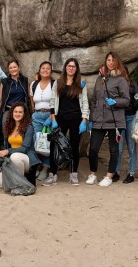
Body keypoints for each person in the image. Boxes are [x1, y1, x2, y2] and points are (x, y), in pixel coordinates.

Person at [87, 52, 130, 187]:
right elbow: (94, 100)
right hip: (98, 120)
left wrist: (115, 102)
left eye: (113, 60)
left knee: (113, 149)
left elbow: (126, 100)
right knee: (93, 149)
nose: (110, 62)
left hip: (114, 121)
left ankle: (109, 175)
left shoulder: (121, 79)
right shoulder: (100, 79)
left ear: (117, 62)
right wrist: (92, 117)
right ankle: (93, 174)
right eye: (108, 60)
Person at [44, 58, 89, 186]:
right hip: (60, 118)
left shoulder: (81, 84)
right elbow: (52, 102)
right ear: (65, 67)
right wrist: (53, 119)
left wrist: (84, 120)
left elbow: (85, 102)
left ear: (76, 69)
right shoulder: (58, 83)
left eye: (73, 67)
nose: (71, 68)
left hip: (76, 119)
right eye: (69, 66)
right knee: (55, 146)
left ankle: (73, 174)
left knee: (74, 146)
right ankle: (53, 174)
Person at [0, 102, 40, 186]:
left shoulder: (29, 127)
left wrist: (8, 151)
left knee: (15, 157)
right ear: (12, 113)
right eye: (15, 112)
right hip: (12, 156)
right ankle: (16, 181)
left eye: (20, 112)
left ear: (24, 114)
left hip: (27, 158)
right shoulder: (9, 126)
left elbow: (25, 148)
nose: (17, 114)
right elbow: (6, 146)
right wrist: (1, 153)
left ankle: (20, 183)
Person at [0, 59, 30, 148]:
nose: (13, 69)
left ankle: (20, 152)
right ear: (8, 70)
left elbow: (29, 97)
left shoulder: (25, 80)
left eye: (15, 67)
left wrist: (31, 112)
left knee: (21, 133)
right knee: (6, 134)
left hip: (21, 112)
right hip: (8, 110)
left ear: (19, 68)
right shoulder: (5, 82)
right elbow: (0, 100)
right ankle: (6, 153)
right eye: (10, 68)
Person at [29, 61, 55, 182]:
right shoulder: (34, 84)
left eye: (48, 68)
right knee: (36, 141)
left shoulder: (55, 84)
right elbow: (31, 101)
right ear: (39, 70)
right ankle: (38, 165)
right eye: (43, 68)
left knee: (48, 143)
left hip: (50, 115)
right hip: (37, 116)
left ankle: (45, 168)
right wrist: (33, 114)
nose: (45, 70)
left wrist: (52, 117)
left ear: (51, 71)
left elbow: (57, 102)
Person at [115, 67, 138, 184]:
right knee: (118, 148)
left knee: (131, 146)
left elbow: (137, 102)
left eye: (123, 72)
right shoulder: (114, 84)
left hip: (130, 117)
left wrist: (128, 106)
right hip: (118, 119)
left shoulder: (133, 85)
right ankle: (116, 172)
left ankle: (131, 173)